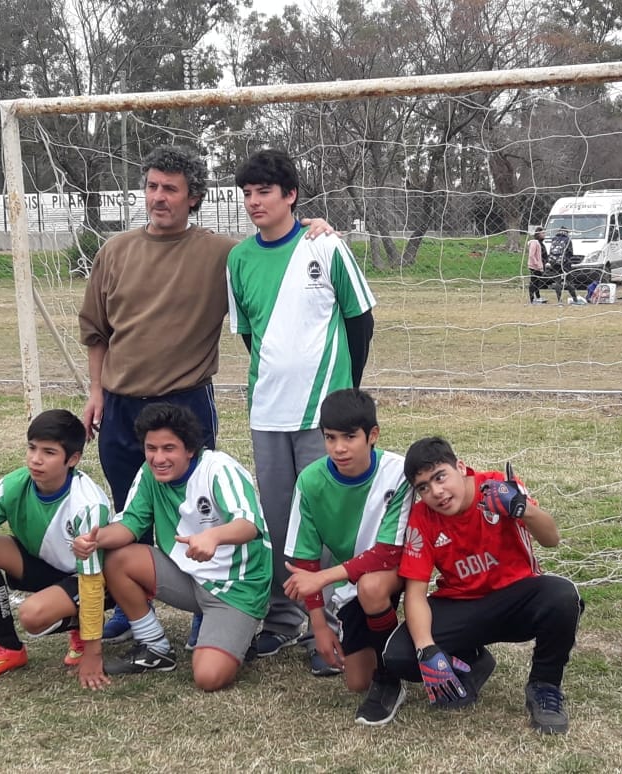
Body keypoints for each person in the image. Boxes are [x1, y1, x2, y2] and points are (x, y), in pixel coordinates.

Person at [78, 145, 331, 646]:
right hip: (122, 403)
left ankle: (204, 602)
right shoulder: (115, 251)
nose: (158, 197)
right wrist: (95, 391)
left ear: (193, 197)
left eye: (170, 188)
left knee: (193, 509)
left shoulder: (221, 253)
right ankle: (135, 607)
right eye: (151, 186)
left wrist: (313, 227)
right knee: (132, 507)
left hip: (185, 400)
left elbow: (272, 244)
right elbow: (97, 331)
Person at [226, 148, 376, 675]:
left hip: (320, 413)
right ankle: (286, 617)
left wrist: (343, 393)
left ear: (291, 195)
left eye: (264, 192)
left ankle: (336, 627)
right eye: (246, 193)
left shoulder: (326, 244)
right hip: (267, 411)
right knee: (278, 519)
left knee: (327, 521)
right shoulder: (239, 259)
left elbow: (360, 320)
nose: (253, 202)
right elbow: (250, 334)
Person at [383, 437, 583, 734]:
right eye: (423, 487)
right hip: (463, 604)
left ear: (460, 468)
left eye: (440, 477)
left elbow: (551, 539)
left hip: (517, 598)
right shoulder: (422, 518)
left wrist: (521, 507)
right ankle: (472, 662)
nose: (436, 492)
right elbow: (415, 594)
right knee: (398, 656)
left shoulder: (496, 488)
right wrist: (427, 649)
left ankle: (544, 686)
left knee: (563, 596)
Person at [71, 402, 271, 692]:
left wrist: (213, 537)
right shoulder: (149, 474)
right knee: (116, 557)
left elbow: (249, 524)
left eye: (168, 448)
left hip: (236, 589)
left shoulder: (218, 468)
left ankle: (240, 631)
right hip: (188, 578)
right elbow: (129, 525)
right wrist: (94, 540)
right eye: (151, 448)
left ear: (189, 449)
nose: (158, 458)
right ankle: (155, 648)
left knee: (208, 678)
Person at [0, 409, 112, 684]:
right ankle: (8, 648)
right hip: (46, 565)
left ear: (73, 459)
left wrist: (94, 653)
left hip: (90, 578)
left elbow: (92, 581)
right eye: (32, 448)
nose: (36, 459)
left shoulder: (88, 504)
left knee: (32, 617)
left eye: (49, 452)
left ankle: (82, 629)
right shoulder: (14, 484)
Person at [282, 389, 413, 725]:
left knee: (371, 586)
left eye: (350, 437)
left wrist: (325, 578)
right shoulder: (311, 481)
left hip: (407, 571)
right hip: (356, 580)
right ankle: (401, 657)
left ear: (372, 435)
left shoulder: (398, 472)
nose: (339, 448)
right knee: (356, 681)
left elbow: (388, 553)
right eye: (330, 438)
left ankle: (391, 678)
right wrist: (320, 625)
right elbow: (305, 564)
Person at [545, 227, 583, 305]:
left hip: (554, 262)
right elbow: (570, 252)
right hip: (565, 263)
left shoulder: (554, 239)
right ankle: (575, 299)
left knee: (558, 281)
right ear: (566, 232)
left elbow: (551, 251)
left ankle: (559, 301)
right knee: (569, 281)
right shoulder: (567, 240)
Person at [526, 227, 547, 304]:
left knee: (537, 282)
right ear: (538, 234)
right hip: (534, 267)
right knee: (533, 282)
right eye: (543, 233)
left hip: (540, 266)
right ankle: (532, 299)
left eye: (545, 233)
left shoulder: (540, 243)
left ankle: (538, 297)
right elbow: (531, 255)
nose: (545, 234)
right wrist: (537, 264)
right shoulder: (534, 242)